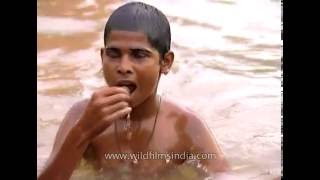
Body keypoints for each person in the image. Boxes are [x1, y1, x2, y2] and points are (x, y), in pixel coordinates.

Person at [38, 2, 230, 180]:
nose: (123, 67)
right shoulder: (82, 116)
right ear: (102, 56)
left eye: (139, 55)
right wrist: (84, 131)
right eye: (114, 54)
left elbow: (224, 175)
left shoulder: (185, 125)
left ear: (165, 62)